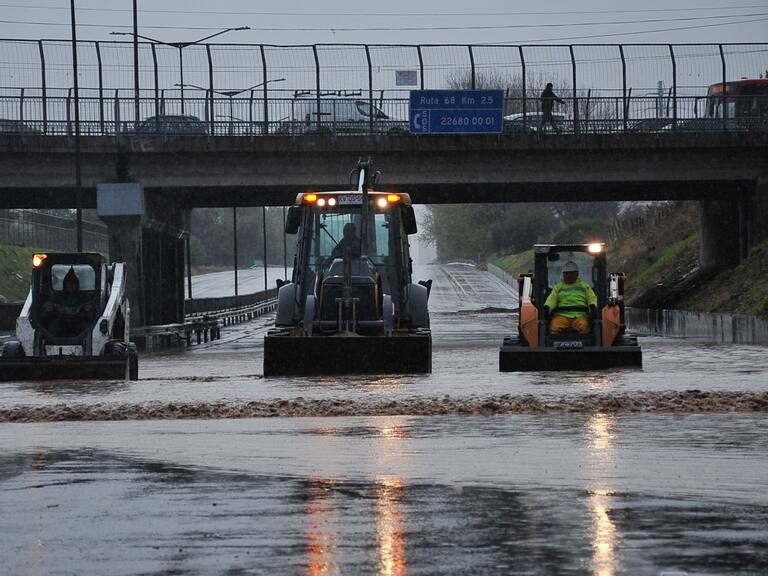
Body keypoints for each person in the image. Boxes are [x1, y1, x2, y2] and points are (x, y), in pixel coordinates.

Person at [543, 261, 597, 335]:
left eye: (571, 273)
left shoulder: (584, 286)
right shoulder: (558, 287)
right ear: (563, 274)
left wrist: (592, 305)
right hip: (562, 315)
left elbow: (591, 298)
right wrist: (547, 307)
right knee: (554, 326)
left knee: (584, 326)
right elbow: (552, 299)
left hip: (580, 315)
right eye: (566, 273)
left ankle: (584, 342)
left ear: (577, 274)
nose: (569, 275)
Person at [43, 267, 94, 337]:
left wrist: (84, 310)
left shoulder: (84, 297)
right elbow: (48, 308)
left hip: (79, 322)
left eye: (73, 283)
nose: (71, 285)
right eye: (69, 283)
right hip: (60, 322)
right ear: (65, 284)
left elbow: (90, 311)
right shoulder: (56, 297)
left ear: (77, 284)